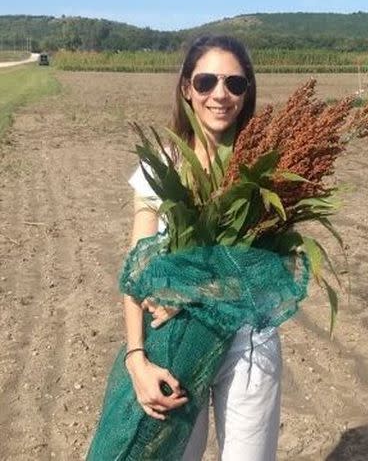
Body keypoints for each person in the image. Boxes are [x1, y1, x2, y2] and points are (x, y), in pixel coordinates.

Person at [123, 35, 282, 460]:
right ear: (186, 88)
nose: (220, 94)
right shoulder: (160, 166)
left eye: (235, 84)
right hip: (176, 342)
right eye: (207, 81)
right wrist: (135, 358)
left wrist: (193, 292)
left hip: (247, 342)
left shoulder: (265, 169)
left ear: (247, 92)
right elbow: (136, 268)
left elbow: (271, 267)